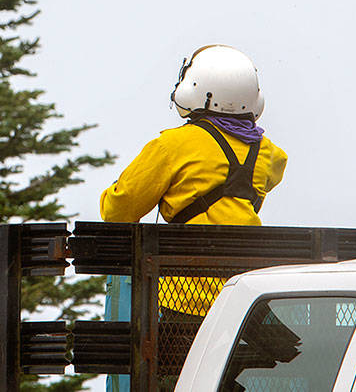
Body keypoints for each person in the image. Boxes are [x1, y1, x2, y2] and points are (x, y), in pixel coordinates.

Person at [101, 45, 288, 340]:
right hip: (245, 296)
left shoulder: (172, 146)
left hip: (185, 302)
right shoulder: (270, 155)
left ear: (199, 90)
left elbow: (119, 211)